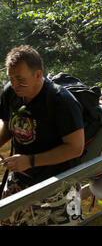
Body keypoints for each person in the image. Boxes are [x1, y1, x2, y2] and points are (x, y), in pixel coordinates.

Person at [0, 45, 85, 226]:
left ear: (38, 75)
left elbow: (76, 148)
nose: (15, 84)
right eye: (11, 78)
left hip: (59, 185)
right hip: (20, 178)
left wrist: (30, 161)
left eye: (20, 79)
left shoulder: (61, 101)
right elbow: (8, 127)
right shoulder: (10, 93)